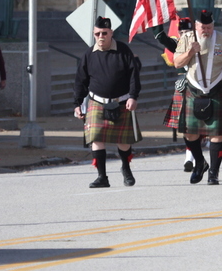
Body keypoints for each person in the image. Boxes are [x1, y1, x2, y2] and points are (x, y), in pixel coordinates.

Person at [174, 10, 222, 185]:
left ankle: (213, 172)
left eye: (208, 27)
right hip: (194, 90)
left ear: (213, 26)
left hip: (217, 90)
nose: (205, 30)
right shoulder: (186, 39)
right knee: (189, 133)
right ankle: (200, 162)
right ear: (196, 26)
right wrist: (191, 52)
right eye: (202, 27)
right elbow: (177, 62)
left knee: (217, 134)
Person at [73, 17, 141, 188]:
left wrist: (133, 96)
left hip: (122, 101)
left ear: (111, 33)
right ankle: (102, 176)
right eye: (97, 34)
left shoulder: (123, 51)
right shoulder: (89, 55)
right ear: (94, 35)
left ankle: (126, 168)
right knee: (96, 137)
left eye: (104, 33)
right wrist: (77, 103)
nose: (101, 36)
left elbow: (134, 76)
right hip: (97, 102)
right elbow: (80, 81)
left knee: (123, 142)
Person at [154, 18, 197, 172]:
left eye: (188, 32)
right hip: (185, 89)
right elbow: (160, 37)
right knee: (187, 127)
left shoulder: (203, 45)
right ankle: (189, 158)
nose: (185, 35)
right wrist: (156, 18)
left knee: (204, 128)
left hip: (203, 88)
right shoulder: (176, 45)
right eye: (182, 32)